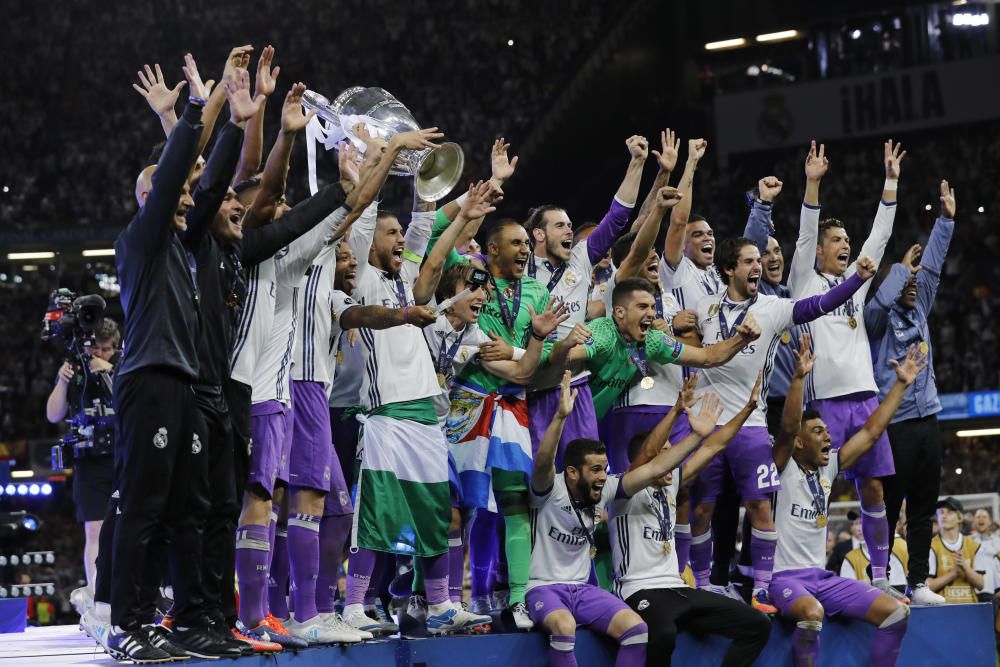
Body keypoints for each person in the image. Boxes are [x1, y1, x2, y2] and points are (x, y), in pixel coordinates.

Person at [109, 54, 241, 662]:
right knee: (144, 505)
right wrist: (188, 114)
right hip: (148, 379)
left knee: (185, 509)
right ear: (148, 195)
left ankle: (185, 619)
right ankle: (127, 622)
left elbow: (208, 188)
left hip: (183, 385)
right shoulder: (140, 239)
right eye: (172, 190)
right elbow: (172, 184)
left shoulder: (187, 251)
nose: (186, 199)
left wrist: (234, 123)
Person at [688, 235, 876, 612]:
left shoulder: (772, 308)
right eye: (748, 261)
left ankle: (761, 587)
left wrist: (855, 280)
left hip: (752, 424)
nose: (758, 266)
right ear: (729, 269)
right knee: (701, 510)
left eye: (759, 260)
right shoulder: (704, 307)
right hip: (706, 425)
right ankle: (702, 585)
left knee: (761, 508)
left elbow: (818, 304)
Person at [526, 372, 722, 667]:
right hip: (543, 588)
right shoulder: (549, 489)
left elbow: (656, 468)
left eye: (604, 468)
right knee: (564, 627)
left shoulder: (606, 490)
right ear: (572, 472)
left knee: (637, 630)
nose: (603, 476)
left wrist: (696, 437)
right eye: (595, 470)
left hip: (584, 591)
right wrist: (560, 418)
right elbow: (542, 461)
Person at [788, 139, 906, 603]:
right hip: (824, 404)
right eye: (836, 241)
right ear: (818, 251)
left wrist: (891, 181)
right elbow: (804, 233)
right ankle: (804, 569)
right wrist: (812, 184)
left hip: (865, 397)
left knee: (874, 486)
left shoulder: (854, 287)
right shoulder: (806, 282)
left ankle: (880, 574)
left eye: (846, 241)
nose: (846, 246)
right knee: (816, 488)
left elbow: (880, 237)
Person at [768, 337, 926, 667]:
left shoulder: (828, 466)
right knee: (812, 615)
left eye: (827, 431)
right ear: (799, 442)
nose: (828, 436)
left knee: (896, 613)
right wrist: (798, 379)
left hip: (820, 578)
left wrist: (900, 385)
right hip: (782, 578)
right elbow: (786, 428)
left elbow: (870, 433)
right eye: (818, 432)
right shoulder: (780, 467)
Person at [609, 375, 771, 667]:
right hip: (638, 590)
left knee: (757, 625)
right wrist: (675, 411)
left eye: (674, 452)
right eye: (666, 454)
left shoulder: (672, 484)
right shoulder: (623, 488)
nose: (673, 460)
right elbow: (648, 453)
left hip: (677, 588)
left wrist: (747, 409)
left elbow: (714, 447)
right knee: (663, 634)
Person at [523, 134, 647, 466]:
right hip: (530, 392)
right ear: (538, 234)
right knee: (538, 482)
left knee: (588, 475)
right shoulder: (520, 268)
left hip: (576, 388)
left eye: (569, 226)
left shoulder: (579, 259)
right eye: (559, 226)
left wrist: (636, 164)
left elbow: (616, 218)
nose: (569, 231)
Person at [866, 180, 956, 606]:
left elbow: (934, 268)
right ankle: (879, 575)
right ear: (893, 281)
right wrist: (900, 267)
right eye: (907, 279)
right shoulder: (877, 321)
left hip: (928, 420)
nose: (915, 283)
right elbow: (879, 304)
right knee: (889, 503)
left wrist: (946, 221)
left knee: (923, 505)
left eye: (915, 279)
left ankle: (917, 582)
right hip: (895, 423)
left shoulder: (920, 307)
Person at [46, 318, 119, 613]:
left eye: (106, 350)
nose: (99, 355)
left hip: (121, 457)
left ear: (115, 348)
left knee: (129, 528)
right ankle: (96, 596)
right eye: (95, 349)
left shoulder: (124, 367)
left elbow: (133, 404)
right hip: (89, 460)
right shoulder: (76, 371)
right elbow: (53, 415)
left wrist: (112, 372)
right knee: (94, 531)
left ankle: (130, 594)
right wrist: (62, 381)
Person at [927, 497, 986, 604]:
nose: (944, 516)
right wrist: (953, 574)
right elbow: (927, 587)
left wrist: (965, 567)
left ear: (959, 517)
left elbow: (981, 585)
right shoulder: (930, 546)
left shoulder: (975, 546)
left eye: (949, 512)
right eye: (941, 512)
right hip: (942, 609)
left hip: (969, 607)